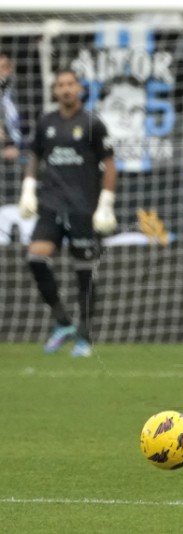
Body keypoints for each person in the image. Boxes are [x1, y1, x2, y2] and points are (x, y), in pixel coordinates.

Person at [17, 68, 118, 357]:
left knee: (84, 272)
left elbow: (109, 165)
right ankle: (62, 322)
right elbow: (35, 157)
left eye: (70, 84)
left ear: (80, 89)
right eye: (60, 85)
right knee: (36, 257)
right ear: (54, 91)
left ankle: (85, 336)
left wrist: (106, 204)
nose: (65, 89)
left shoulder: (92, 124)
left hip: (83, 207)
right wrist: (27, 190)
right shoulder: (45, 122)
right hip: (51, 204)